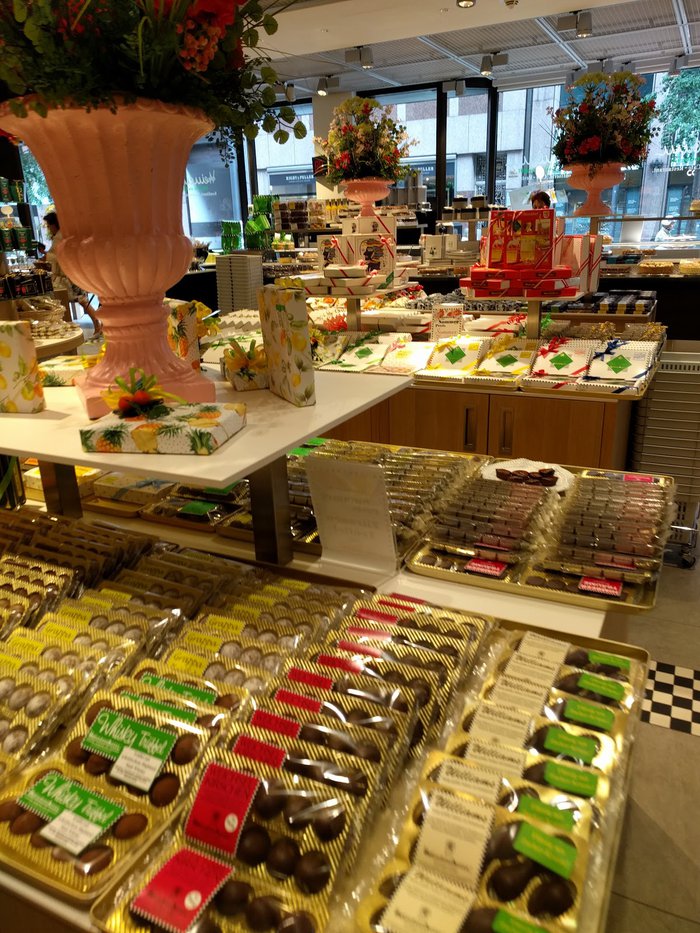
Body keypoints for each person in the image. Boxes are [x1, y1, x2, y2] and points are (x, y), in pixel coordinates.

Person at [44, 211, 102, 336]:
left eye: (49, 225)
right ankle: (97, 325)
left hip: (69, 275)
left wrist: (46, 257)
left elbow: (55, 256)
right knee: (81, 301)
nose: (48, 228)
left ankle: (97, 325)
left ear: (54, 224)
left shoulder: (60, 237)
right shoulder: (64, 235)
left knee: (80, 301)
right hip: (72, 274)